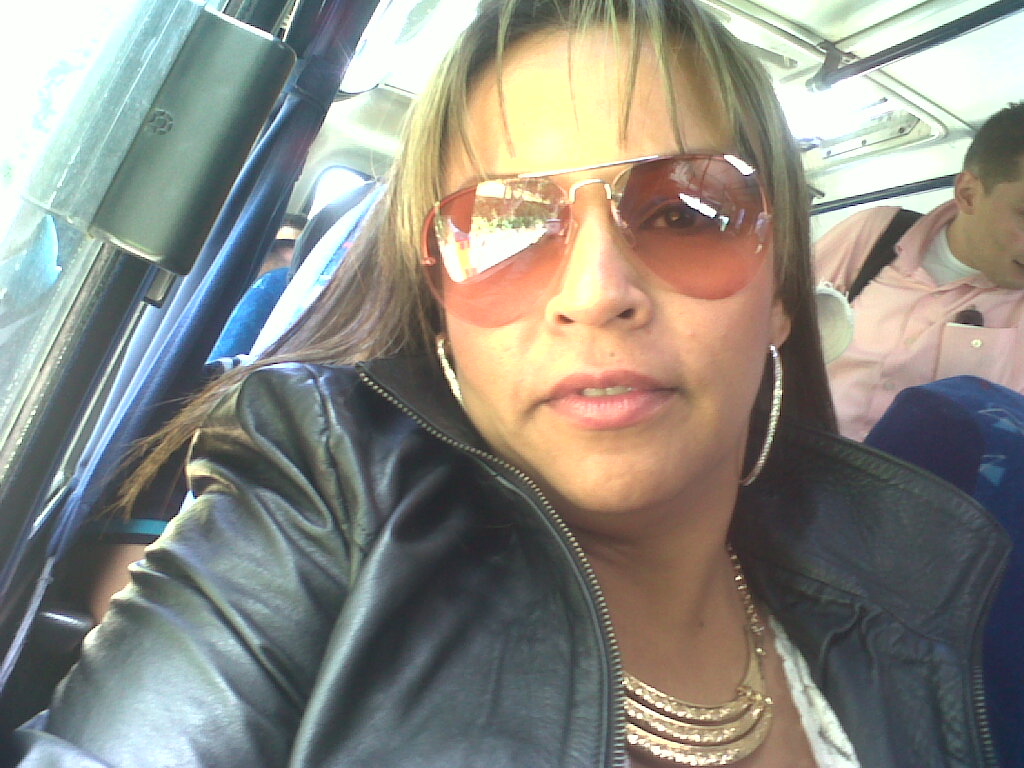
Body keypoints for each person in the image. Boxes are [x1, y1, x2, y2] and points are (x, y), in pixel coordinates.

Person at [10, 1, 1008, 766]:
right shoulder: (322, 503)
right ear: (442, 310)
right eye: (506, 227)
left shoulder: (917, 601)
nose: (598, 292)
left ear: (781, 294)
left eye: (685, 214)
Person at [815, 102, 1024, 441]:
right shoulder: (874, 235)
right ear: (968, 194)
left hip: (914, 478)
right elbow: (772, 322)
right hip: (792, 453)